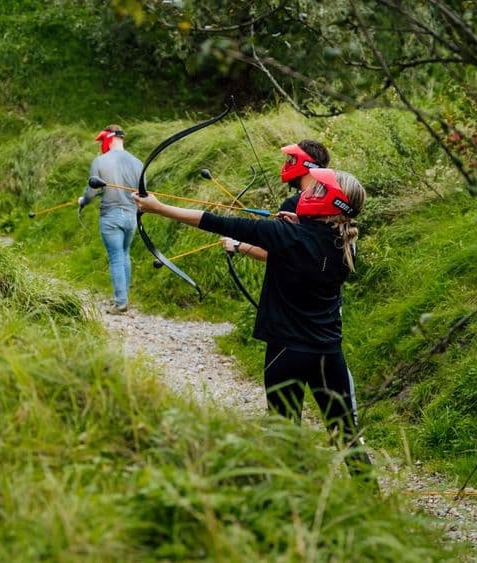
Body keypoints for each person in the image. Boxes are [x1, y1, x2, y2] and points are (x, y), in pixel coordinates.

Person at [133, 168, 372, 475]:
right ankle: (372, 499)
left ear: (330, 203)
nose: (307, 194)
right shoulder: (345, 244)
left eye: (316, 191)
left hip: (287, 352)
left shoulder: (286, 235)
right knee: (347, 436)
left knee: (283, 436)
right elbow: (312, 247)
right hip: (329, 355)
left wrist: (158, 208)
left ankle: (293, 504)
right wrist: (297, 226)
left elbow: (216, 221)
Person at [222, 139, 330, 261]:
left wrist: (237, 245)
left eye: (292, 160)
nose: (287, 164)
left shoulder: (293, 205)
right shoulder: (332, 199)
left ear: (306, 164)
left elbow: (271, 252)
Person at [80, 124, 142, 314]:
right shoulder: (138, 163)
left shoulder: (100, 161)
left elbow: (90, 192)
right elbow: (143, 193)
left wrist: (83, 200)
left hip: (110, 216)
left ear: (107, 138)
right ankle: (123, 296)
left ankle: (120, 302)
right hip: (131, 216)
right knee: (124, 254)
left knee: (116, 257)